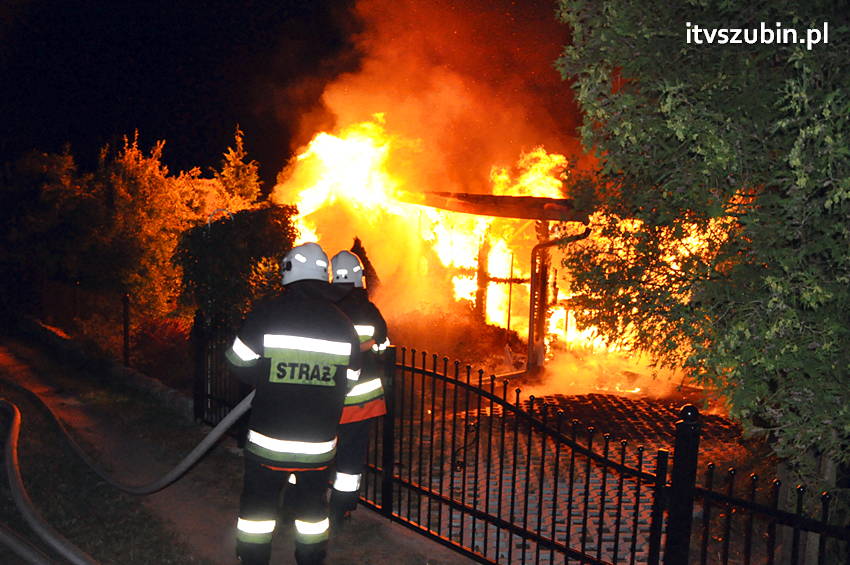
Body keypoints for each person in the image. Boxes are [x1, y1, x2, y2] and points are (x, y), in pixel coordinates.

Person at [225, 242, 362, 565]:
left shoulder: (268, 313)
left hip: (268, 442)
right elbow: (351, 379)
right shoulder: (343, 324)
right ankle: (312, 559)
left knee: (258, 512)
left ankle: (254, 559)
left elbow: (236, 360)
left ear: (287, 273)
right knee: (313, 512)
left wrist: (268, 378)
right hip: (318, 445)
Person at [328, 249, 390, 526]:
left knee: (317, 447)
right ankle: (342, 508)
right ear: (359, 277)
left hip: (326, 397)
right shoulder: (368, 309)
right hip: (360, 401)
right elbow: (384, 343)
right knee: (351, 455)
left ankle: (302, 496)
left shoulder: (324, 307)